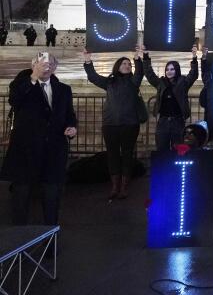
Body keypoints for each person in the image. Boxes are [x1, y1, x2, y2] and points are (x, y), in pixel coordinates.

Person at [1, 53, 77, 224]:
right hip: (25, 152)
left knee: (51, 199)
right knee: (21, 199)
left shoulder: (64, 89)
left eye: (50, 64)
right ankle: (19, 243)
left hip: (53, 152)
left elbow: (69, 115)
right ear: (33, 64)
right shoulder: (22, 84)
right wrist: (33, 77)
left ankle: (50, 243)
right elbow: (15, 100)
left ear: (55, 67)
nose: (47, 66)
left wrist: (72, 127)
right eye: (42, 63)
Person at [83, 46, 144, 200]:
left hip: (130, 124)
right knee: (113, 155)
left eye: (129, 64)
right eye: (124, 63)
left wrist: (137, 58)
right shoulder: (110, 82)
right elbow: (94, 77)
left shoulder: (133, 82)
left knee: (127, 155)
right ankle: (115, 186)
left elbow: (140, 73)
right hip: (110, 124)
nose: (127, 66)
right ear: (117, 66)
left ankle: (124, 187)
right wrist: (88, 61)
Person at [143, 46, 199, 151]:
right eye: (167, 69)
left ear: (177, 70)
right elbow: (149, 74)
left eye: (172, 69)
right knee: (161, 149)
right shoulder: (161, 83)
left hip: (177, 121)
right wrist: (146, 56)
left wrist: (194, 57)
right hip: (163, 122)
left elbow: (193, 74)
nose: (169, 71)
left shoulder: (183, 82)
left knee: (178, 150)